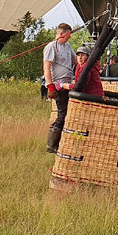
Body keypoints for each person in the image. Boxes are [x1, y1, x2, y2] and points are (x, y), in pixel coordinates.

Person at [43, 23, 77, 154]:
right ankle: (51, 146)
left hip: (68, 85)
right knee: (62, 114)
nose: (69, 38)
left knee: (67, 114)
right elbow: (47, 67)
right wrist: (50, 85)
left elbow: (75, 60)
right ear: (62, 34)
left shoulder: (67, 47)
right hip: (58, 85)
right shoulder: (51, 47)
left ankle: (61, 143)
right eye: (68, 35)